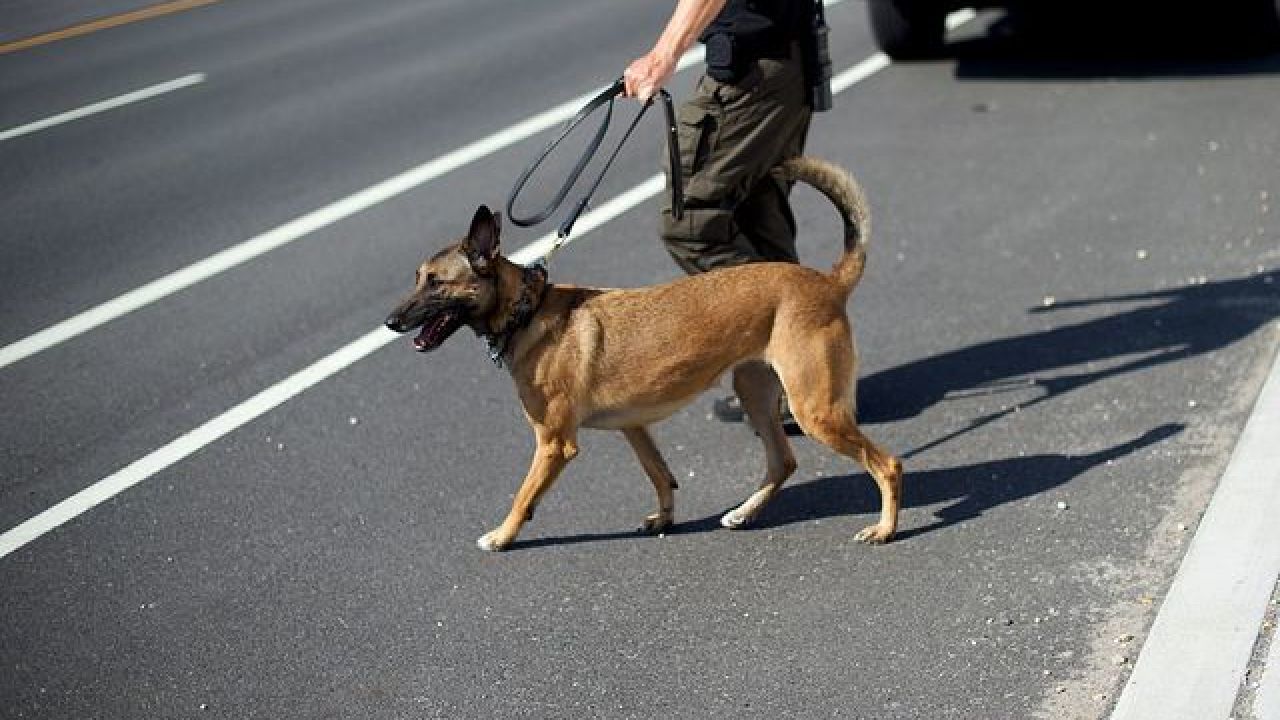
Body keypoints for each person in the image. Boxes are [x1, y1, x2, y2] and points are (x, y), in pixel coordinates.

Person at [623, 0, 829, 421]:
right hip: (784, 61)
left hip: (758, 71)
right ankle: (799, 380)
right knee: (757, 217)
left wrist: (664, 54)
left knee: (692, 222)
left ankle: (789, 364)